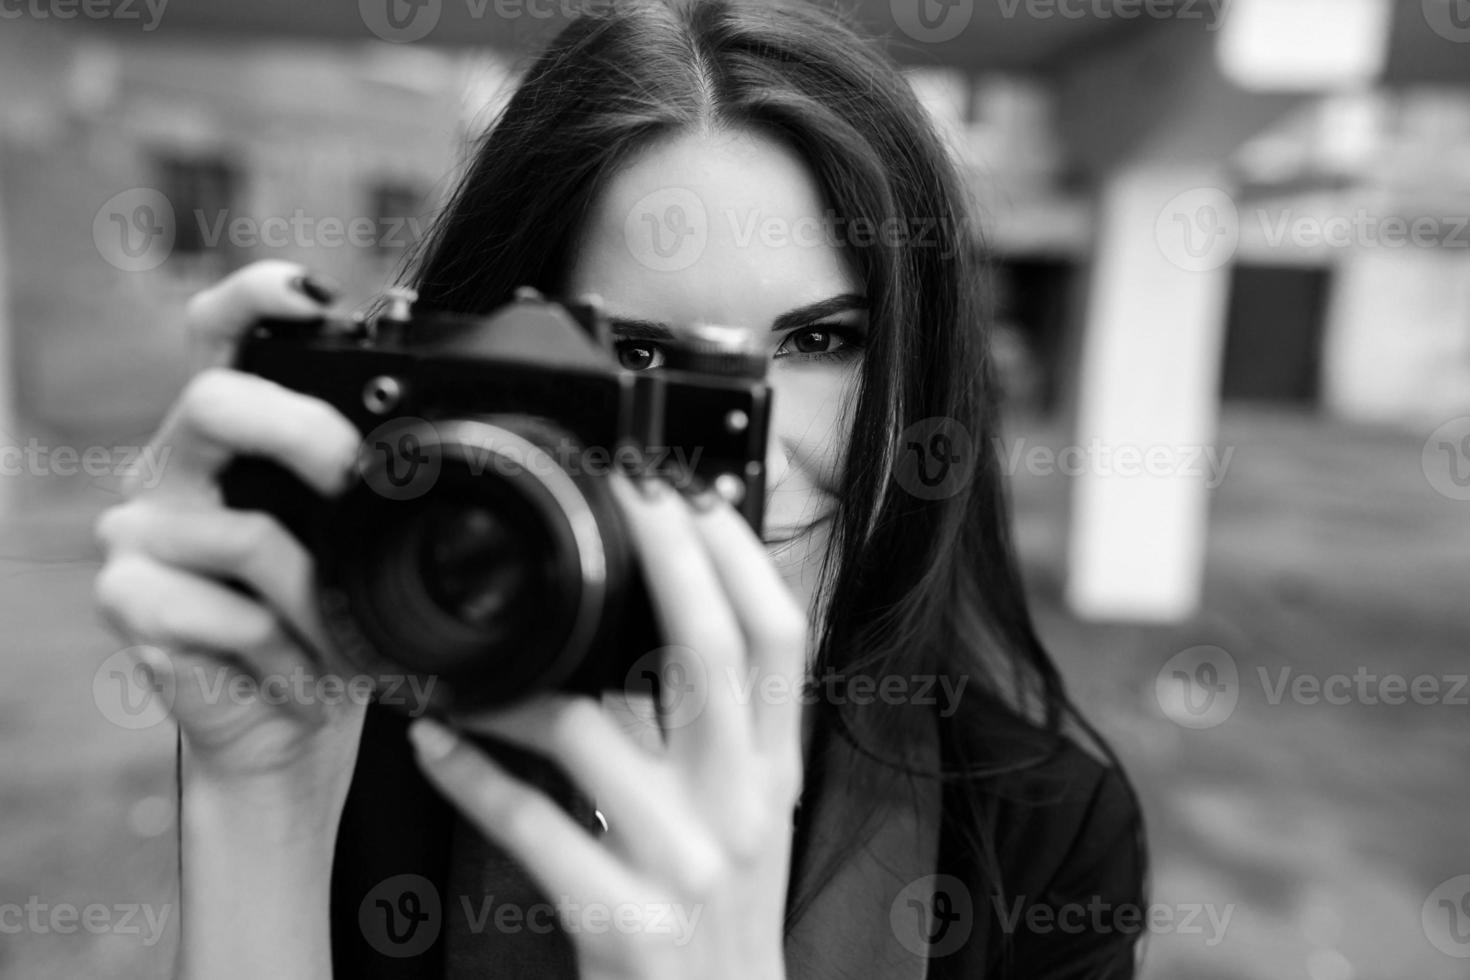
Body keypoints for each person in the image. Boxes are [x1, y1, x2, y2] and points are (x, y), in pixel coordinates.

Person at [93, 1, 1148, 977]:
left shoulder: (1042, 833)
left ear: (919, 362)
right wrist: (259, 800)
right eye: (643, 358)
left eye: (823, 340)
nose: (754, 453)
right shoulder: (360, 735)